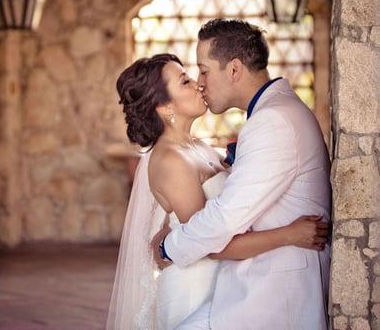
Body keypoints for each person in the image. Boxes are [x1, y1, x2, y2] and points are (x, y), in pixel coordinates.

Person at [107, 51, 329, 329]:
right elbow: (211, 243)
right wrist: (289, 235)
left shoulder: (197, 147)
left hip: (224, 284)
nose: (198, 84)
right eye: (185, 81)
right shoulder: (171, 160)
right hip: (193, 289)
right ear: (165, 108)